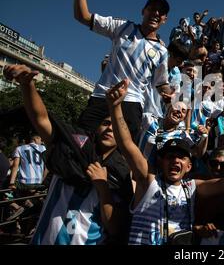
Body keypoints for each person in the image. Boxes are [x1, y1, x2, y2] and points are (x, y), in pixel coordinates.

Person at [3, 64, 133, 245]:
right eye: (105, 123)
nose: (110, 128)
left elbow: (114, 228)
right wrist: (27, 85)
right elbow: (41, 119)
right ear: (96, 128)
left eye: (115, 125)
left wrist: (103, 188)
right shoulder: (71, 149)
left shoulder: (122, 174)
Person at [105, 79, 224, 245]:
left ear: (189, 166)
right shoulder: (147, 182)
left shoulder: (192, 187)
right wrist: (115, 107)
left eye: (181, 157)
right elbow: (127, 144)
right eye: (170, 156)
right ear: (160, 161)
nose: (175, 161)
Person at [73, 0, 172, 142]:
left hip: (131, 103)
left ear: (165, 20)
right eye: (152, 8)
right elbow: (82, 16)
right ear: (143, 11)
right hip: (103, 96)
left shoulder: (162, 50)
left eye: (161, 12)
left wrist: (171, 96)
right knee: (79, 144)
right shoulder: (122, 27)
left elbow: (161, 83)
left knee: (121, 157)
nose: (156, 14)